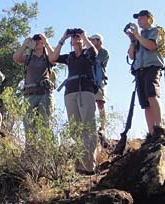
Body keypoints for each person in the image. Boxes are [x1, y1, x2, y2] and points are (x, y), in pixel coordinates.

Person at [50, 28, 98, 174]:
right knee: (75, 129)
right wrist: (63, 38)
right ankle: (79, 166)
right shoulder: (69, 57)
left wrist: (84, 36)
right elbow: (53, 58)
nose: (76, 39)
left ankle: (89, 166)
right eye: (74, 37)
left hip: (86, 90)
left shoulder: (87, 54)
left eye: (79, 37)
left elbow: (94, 53)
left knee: (88, 127)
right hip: (70, 92)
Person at [126, 10, 165, 140]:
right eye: (137, 18)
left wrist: (137, 35)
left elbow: (151, 46)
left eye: (141, 17)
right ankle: (152, 133)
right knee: (144, 103)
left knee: (152, 95)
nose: (138, 20)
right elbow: (131, 55)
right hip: (140, 70)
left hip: (152, 67)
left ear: (149, 18)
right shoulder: (139, 36)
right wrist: (132, 40)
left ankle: (159, 126)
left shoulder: (155, 31)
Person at [13, 34, 55, 138]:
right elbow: (16, 58)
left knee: (46, 125)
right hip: (29, 94)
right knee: (29, 126)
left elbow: (54, 57)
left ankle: (46, 151)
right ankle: (30, 152)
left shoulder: (47, 56)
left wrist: (46, 42)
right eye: (35, 40)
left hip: (44, 94)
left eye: (39, 40)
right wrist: (25, 45)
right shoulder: (29, 57)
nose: (37, 42)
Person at [89, 33, 109, 146]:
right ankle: (91, 127)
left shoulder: (103, 52)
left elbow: (97, 62)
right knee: (89, 105)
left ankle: (102, 127)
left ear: (98, 41)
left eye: (93, 40)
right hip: (90, 80)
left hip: (99, 80)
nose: (92, 42)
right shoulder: (89, 51)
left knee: (100, 103)